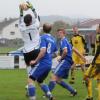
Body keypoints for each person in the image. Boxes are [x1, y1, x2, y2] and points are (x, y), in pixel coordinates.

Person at [48, 28, 86, 97]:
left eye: (60, 32)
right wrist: (82, 57)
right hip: (68, 62)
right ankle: (73, 91)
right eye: (58, 32)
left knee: (53, 76)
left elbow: (65, 51)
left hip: (65, 61)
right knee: (58, 80)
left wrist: (61, 58)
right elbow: (74, 49)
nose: (59, 34)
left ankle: (47, 94)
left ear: (64, 34)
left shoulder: (63, 41)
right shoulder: (67, 41)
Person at [27, 23, 58, 100]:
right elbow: (56, 54)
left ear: (43, 29)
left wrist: (35, 61)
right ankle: (50, 96)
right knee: (40, 81)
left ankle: (32, 98)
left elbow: (43, 51)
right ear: (50, 30)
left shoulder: (42, 37)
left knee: (30, 80)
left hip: (42, 63)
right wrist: (49, 57)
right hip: (49, 64)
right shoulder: (53, 40)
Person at [19, 2, 40, 70]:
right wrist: (32, 8)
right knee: (37, 68)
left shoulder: (22, 28)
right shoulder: (35, 26)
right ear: (31, 21)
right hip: (35, 50)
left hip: (26, 51)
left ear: (24, 22)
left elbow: (20, 20)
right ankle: (39, 80)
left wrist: (21, 10)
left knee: (29, 68)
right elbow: (37, 16)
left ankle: (30, 80)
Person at [84, 24, 100, 100]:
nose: (96, 29)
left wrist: (93, 60)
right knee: (99, 80)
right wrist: (91, 41)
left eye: (97, 27)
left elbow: (99, 49)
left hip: (97, 62)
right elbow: (96, 46)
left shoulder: (98, 36)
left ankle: (90, 96)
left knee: (86, 77)